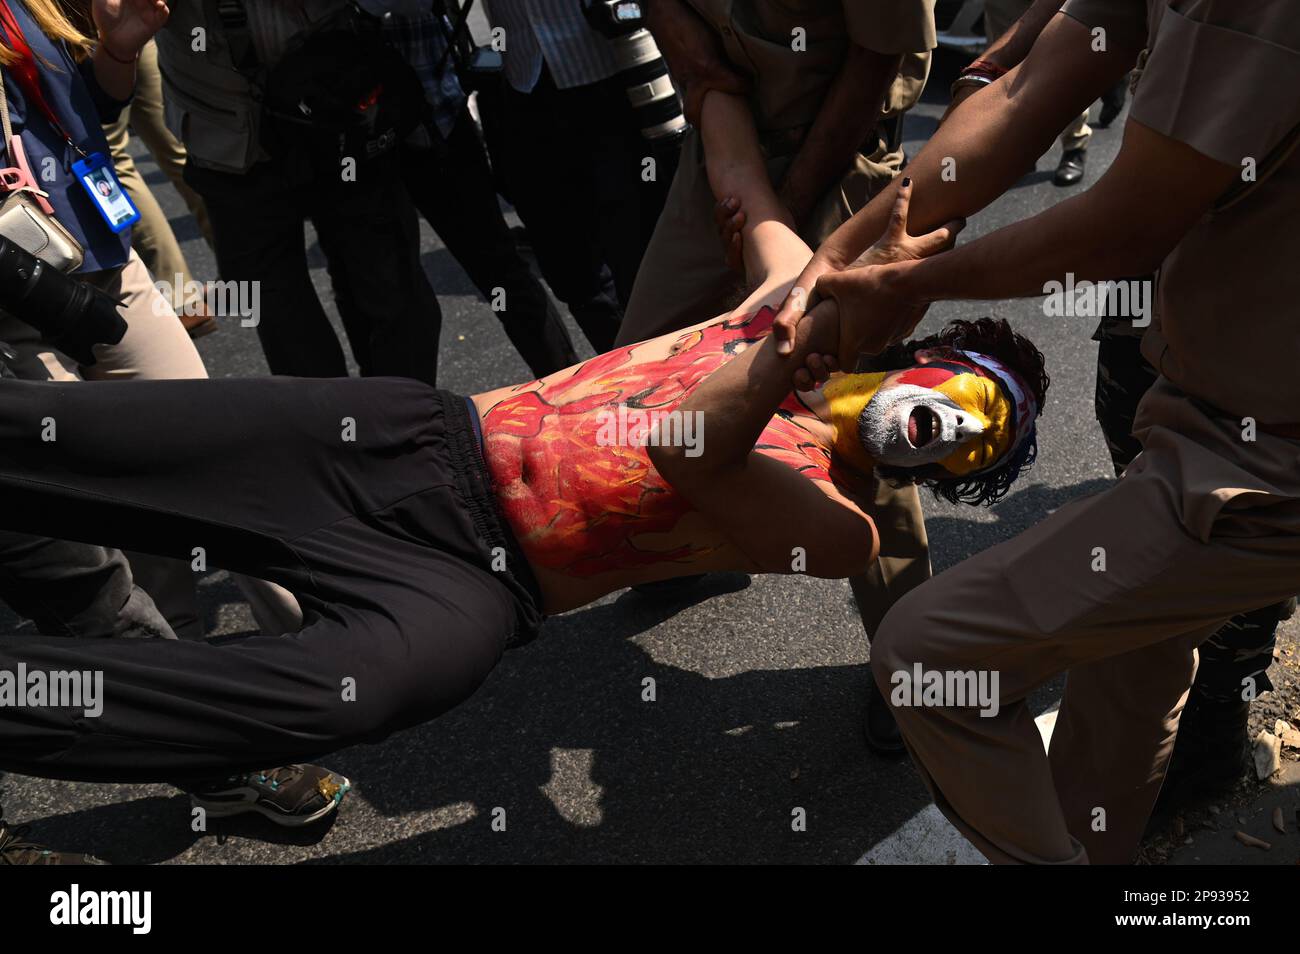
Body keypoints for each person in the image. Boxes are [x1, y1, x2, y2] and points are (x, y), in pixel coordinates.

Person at [0, 92, 1047, 788]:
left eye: (968, 452)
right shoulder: (789, 297)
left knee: (342, 694)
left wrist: (787, 349)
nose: (951, 429)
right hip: (405, 446)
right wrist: (710, 65)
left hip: (475, 585)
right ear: (918, 359)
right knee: (63, 438)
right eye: (963, 397)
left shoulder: (840, 530)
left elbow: (689, 450)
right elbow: (751, 177)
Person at [777, 0, 1300, 863]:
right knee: (1131, 657)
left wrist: (909, 283)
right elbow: (1026, 83)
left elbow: (1124, 227)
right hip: (1205, 406)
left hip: (1264, 453)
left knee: (926, 661)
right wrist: (850, 257)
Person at [633, 0, 937, 755]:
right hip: (721, 150)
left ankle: (916, 666)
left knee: (855, 433)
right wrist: (701, 79)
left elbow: (873, 63)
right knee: (641, 368)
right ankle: (688, 538)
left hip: (837, 165)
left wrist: (787, 224)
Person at [155, 0, 443, 382]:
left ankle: (406, 424)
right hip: (222, 124)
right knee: (279, 311)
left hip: (338, 102)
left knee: (392, 293)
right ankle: (329, 432)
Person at [376, 0, 580, 378]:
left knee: (499, 270)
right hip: (338, 129)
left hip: (432, 116)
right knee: (388, 298)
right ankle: (404, 424)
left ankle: (571, 393)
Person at [481, 0, 680, 352]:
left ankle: (680, 382)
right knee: (574, 276)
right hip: (524, 86)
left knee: (643, 261)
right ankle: (625, 378)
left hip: (614, 75)